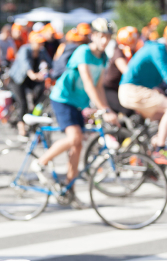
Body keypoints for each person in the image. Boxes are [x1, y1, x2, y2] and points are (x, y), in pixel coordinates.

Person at [34, 18, 119, 208]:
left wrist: (107, 109)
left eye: (108, 37)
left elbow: (98, 87)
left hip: (77, 103)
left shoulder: (103, 57)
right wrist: (105, 110)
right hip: (63, 99)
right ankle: (41, 162)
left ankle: (68, 189)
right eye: (101, 36)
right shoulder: (84, 51)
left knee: (78, 146)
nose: (105, 40)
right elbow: (88, 82)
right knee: (75, 138)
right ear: (94, 36)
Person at [118, 22, 167, 165]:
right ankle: (159, 149)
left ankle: (152, 151)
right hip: (130, 90)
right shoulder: (158, 49)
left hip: (136, 91)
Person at [8, 32, 52, 139]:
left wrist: (48, 71)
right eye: (38, 43)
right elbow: (25, 63)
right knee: (22, 103)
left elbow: (49, 63)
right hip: (18, 80)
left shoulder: (42, 51)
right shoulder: (25, 49)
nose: (41, 45)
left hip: (31, 80)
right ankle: (21, 128)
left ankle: (32, 119)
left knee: (40, 95)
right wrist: (32, 74)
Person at [103, 26, 138, 117]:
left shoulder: (131, 51)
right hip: (110, 89)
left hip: (121, 88)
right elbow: (126, 70)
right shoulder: (119, 51)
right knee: (128, 110)